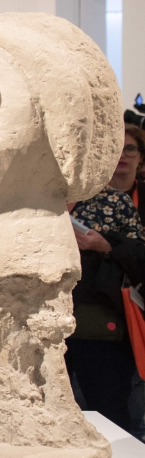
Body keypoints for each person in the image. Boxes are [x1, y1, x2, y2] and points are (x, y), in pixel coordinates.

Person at [65, 130, 145, 434]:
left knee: (108, 414)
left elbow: (139, 259)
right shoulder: (41, 202)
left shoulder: (115, 202)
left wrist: (104, 245)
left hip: (99, 325)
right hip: (43, 324)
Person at [110, 126, 145, 439]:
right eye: (117, 148)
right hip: (102, 307)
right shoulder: (89, 197)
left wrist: (109, 246)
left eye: (130, 149)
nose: (123, 155)